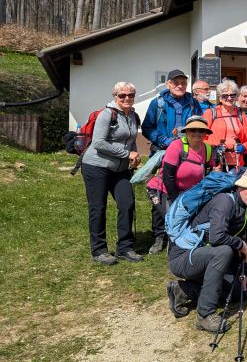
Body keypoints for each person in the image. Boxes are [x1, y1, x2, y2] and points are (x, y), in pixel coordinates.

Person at [165, 166, 247, 332]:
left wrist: (241, 274)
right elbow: (218, 237)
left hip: (208, 256)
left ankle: (183, 290)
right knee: (224, 251)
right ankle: (205, 315)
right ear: (239, 186)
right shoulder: (224, 201)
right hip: (184, 258)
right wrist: (241, 245)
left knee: (241, 292)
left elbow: (241, 235)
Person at [81, 82, 142, 265]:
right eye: (122, 95)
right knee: (98, 208)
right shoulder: (107, 114)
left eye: (130, 95)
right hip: (95, 166)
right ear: (115, 96)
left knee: (127, 203)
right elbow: (99, 143)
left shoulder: (133, 115)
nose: (126, 98)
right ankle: (99, 250)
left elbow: (131, 140)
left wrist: (134, 155)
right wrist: (126, 154)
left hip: (120, 169)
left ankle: (125, 248)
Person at [142, 69, 202, 252]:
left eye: (183, 82)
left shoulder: (193, 103)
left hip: (187, 153)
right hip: (163, 152)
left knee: (185, 191)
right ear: (168, 84)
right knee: (160, 192)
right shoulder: (158, 103)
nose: (180, 86)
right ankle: (159, 236)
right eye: (176, 82)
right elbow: (147, 128)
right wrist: (164, 141)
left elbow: (199, 124)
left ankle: (180, 232)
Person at [145, 116, 217, 254]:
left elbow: (207, 175)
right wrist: (176, 199)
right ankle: (170, 247)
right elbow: (168, 176)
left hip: (188, 191)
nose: (197, 133)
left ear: (206, 133)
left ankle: (185, 246)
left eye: (201, 130)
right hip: (162, 188)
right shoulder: (177, 145)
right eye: (193, 130)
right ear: (187, 131)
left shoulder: (208, 149)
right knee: (174, 217)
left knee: (189, 218)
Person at [202, 79, 247, 170]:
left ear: (236, 97)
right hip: (216, 162)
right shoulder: (211, 113)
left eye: (232, 95)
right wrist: (214, 148)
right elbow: (202, 138)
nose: (229, 98)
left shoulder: (241, 115)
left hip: (237, 163)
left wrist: (244, 147)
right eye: (225, 95)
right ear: (220, 98)